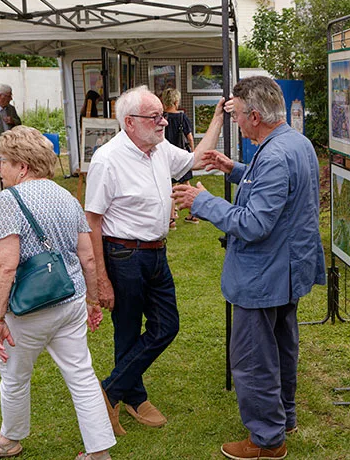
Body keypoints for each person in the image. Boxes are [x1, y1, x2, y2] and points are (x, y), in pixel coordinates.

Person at [172, 76, 326, 460]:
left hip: (264, 275)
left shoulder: (274, 154)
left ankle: (267, 441)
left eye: (238, 116)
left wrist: (201, 201)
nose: (236, 122)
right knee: (281, 346)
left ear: (255, 116)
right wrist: (234, 168)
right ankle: (283, 418)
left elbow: (254, 224)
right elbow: (276, 189)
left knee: (254, 359)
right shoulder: (294, 142)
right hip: (288, 270)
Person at [84, 85, 225, 437]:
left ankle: (110, 392)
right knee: (128, 331)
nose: (164, 121)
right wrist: (100, 279)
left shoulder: (159, 148)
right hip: (123, 255)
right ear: (129, 123)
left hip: (156, 253)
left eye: (163, 114)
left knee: (167, 325)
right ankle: (133, 398)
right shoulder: (107, 159)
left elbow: (195, 159)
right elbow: (92, 222)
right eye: (155, 117)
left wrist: (219, 118)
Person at [0, 126, 115, 460]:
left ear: (22, 166)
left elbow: (6, 266)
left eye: (3, 161)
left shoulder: (8, 201)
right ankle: (99, 454)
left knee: (15, 376)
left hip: (29, 308)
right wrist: (91, 300)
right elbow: (88, 256)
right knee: (82, 376)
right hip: (72, 299)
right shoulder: (66, 195)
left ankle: (9, 441)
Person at [161, 87, 199, 228]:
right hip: (181, 155)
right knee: (186, 185)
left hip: (166, 155)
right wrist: (192, 153)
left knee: (169, 187)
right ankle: (193, 213)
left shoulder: (162, 117)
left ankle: (171, 220)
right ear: (176, 101)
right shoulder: (183, 117)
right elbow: (189, 137)